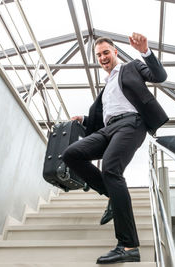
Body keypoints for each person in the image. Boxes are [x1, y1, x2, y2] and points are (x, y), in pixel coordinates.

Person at [62, 32, 168, 264]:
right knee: (72, 154)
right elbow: (103, 116)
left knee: (111, 169)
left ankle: (128, 246)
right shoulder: (107, 85)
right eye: (98, 55)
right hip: (108, 129)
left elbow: (159, 76)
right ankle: (114, 196)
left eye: (106, 52)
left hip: (132, 123)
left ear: (115, 52)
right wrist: (84, 119)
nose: (102, 57)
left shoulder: (132, 67)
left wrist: (145, 51)